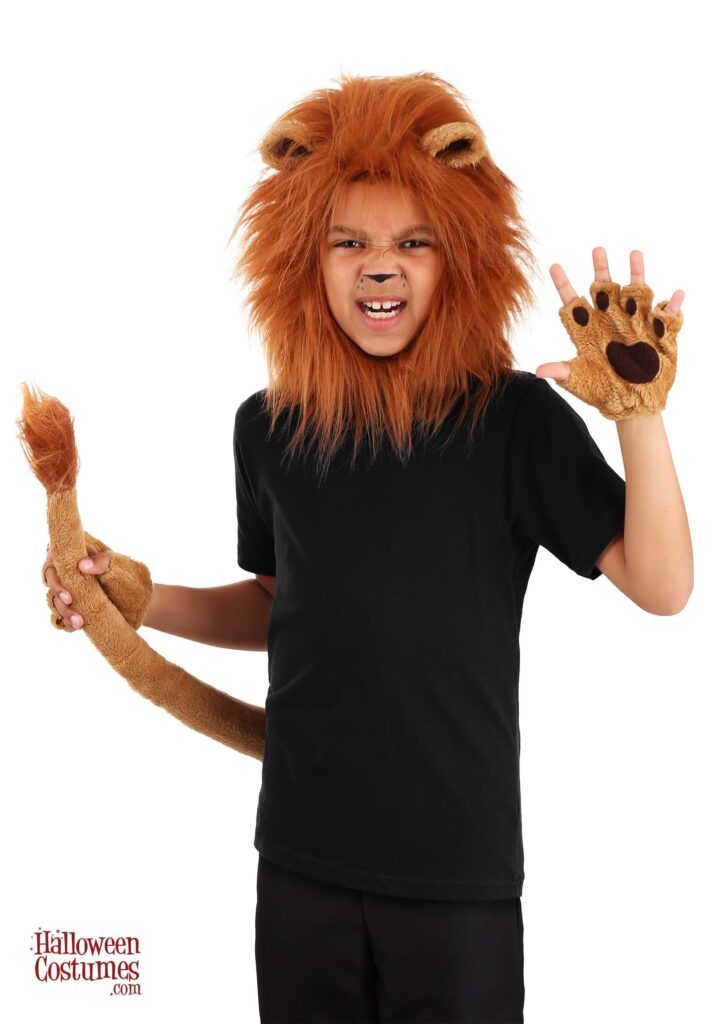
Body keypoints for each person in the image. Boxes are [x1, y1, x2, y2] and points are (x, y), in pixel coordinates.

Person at [42, 72, 692, 1024]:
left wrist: (638, 413)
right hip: (298, 860)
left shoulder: (511, 419)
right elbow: (281, 605)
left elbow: (663, 586)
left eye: (412, 243)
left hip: (456, 872)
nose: (378, 268)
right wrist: (139, 601)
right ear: (303, 260)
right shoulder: (267, 427)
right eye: (348, 242)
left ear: (458, 257)